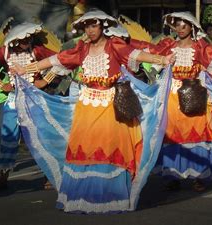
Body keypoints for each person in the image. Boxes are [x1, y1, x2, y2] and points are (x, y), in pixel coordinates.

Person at [13, 9, 173, 213]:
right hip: (87, 106)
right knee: (85, 149)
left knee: (109, 147)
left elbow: (136, 55)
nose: (90, 29)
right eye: (87, 26)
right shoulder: (82, 49)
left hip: (110, 106)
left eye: (94, 25)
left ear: (102, 26)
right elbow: (57, 60)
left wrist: (162, 60)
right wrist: (25, 70)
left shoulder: (114, 45)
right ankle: (83, 197)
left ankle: (111, 197)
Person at [145, 12, 212, 191]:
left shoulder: (200, 47)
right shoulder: (168, 45)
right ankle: (173, 174)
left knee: (197, 132)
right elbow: (148, 53)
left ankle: (199, 175)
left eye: (183, 25)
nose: (179, 29)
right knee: (173, 134)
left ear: (192, 27)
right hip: (172, 96)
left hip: (194, 94)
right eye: (177, 25)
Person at [0, 22, 57, 191]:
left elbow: (60, 60)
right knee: (8, 137)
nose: (27, 41)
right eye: (24, 38)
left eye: (29, 37)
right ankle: (3, 178)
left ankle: (49, 176)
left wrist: (44, 81)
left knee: (40, 136)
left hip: (34, 97)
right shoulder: (4, 51)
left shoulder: (37, 50)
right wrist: (2, 84)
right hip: (13, 98)